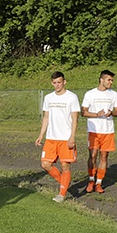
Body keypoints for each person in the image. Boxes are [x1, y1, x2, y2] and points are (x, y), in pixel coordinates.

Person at [35, 72, 79, 202]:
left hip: (65, 138)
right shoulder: (48, 98)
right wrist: (41, 135)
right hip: (51, 137)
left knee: (65, 166)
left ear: (64, 82)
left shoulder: (72, 97)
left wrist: (72, 137)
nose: (57, 85)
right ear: (51, 83)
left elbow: (75, 119)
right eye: (54, 83)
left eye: (59, 82)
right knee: (45, 164)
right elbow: (46, 117)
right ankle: (64, 183)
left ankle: (62, 194)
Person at [81, 70, 117, 193]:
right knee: (92, 155)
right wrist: (96, 114)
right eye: (109, 80)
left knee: (104, 156)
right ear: (101, 80)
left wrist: (111, 113)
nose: (111, 82)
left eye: (112, 80)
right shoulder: (90, 94)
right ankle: (91, 180)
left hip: (108, 131)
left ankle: (99, 183)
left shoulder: (113, 94)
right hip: (94, 130)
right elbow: (83, 112)